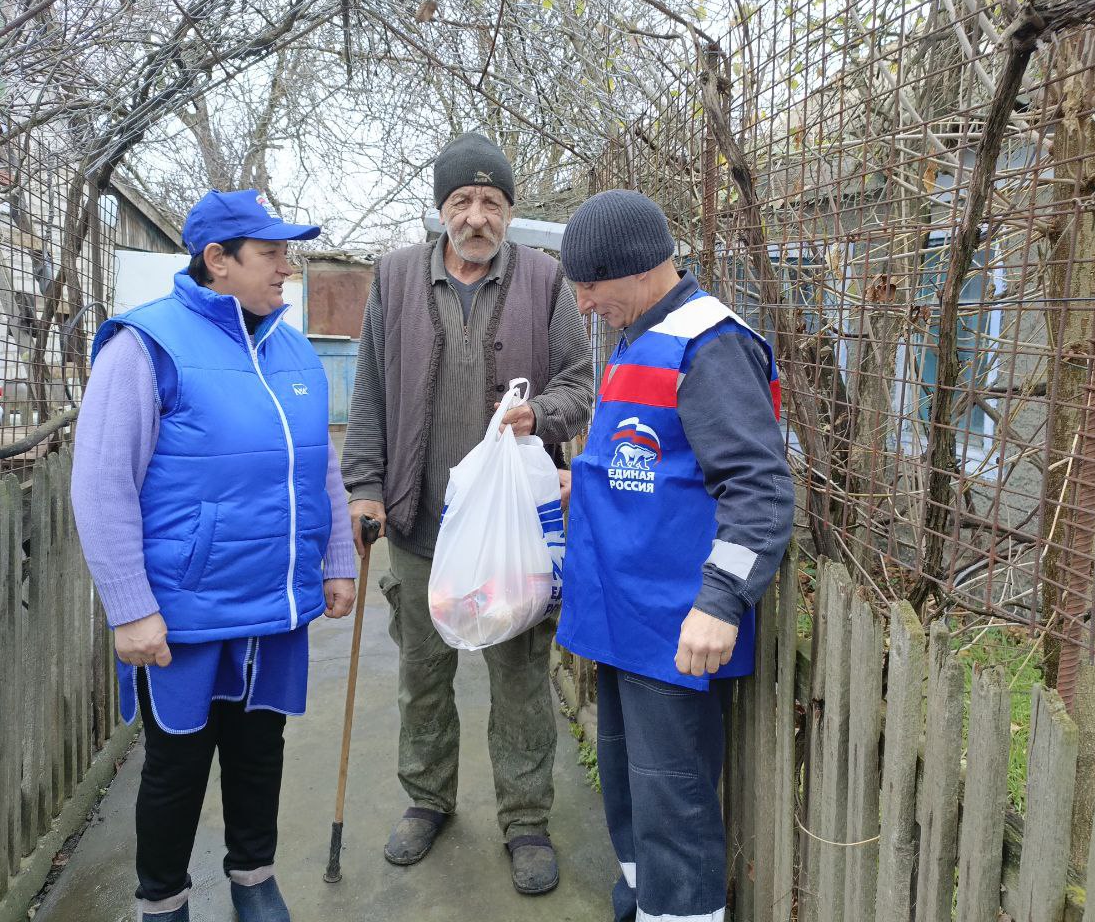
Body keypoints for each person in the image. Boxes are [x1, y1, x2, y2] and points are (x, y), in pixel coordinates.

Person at [72, 189, 358, 922]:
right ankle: (162, 901)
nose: (286, 270)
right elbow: (102, 483)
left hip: (273, 601)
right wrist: (130, 607)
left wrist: (334, 560)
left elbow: (319, 465)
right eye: (271, 254)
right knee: (176, 766)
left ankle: (253, 879)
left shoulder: (292, 348)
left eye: (286, 254)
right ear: (218, 261)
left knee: (261, 749)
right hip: (185, 608)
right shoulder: (145, 345)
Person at [342, 133, 592, 895]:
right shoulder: (392, 278)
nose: (476, 216)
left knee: (518, 676)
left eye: (491, 202)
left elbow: (582, 386)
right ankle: (428, 800)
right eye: (462, 202)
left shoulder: (545, 280)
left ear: (509, 211)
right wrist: (363, 485)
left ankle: (525, 819)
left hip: (512, 530)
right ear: (442, 209)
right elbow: (369, 393)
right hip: (421, 522)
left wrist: (539, 415)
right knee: (424, 672)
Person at [556, 189, 794, 922]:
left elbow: (760, 488)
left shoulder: (709, 343)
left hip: (674, 630)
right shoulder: (640, 336)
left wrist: (721, 600)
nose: (583, 303)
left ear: (630, 270)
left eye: (589, 285)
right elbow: (654, 462)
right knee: (632, 794)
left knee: (675, 813)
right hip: (628, 622)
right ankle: (642, 905)